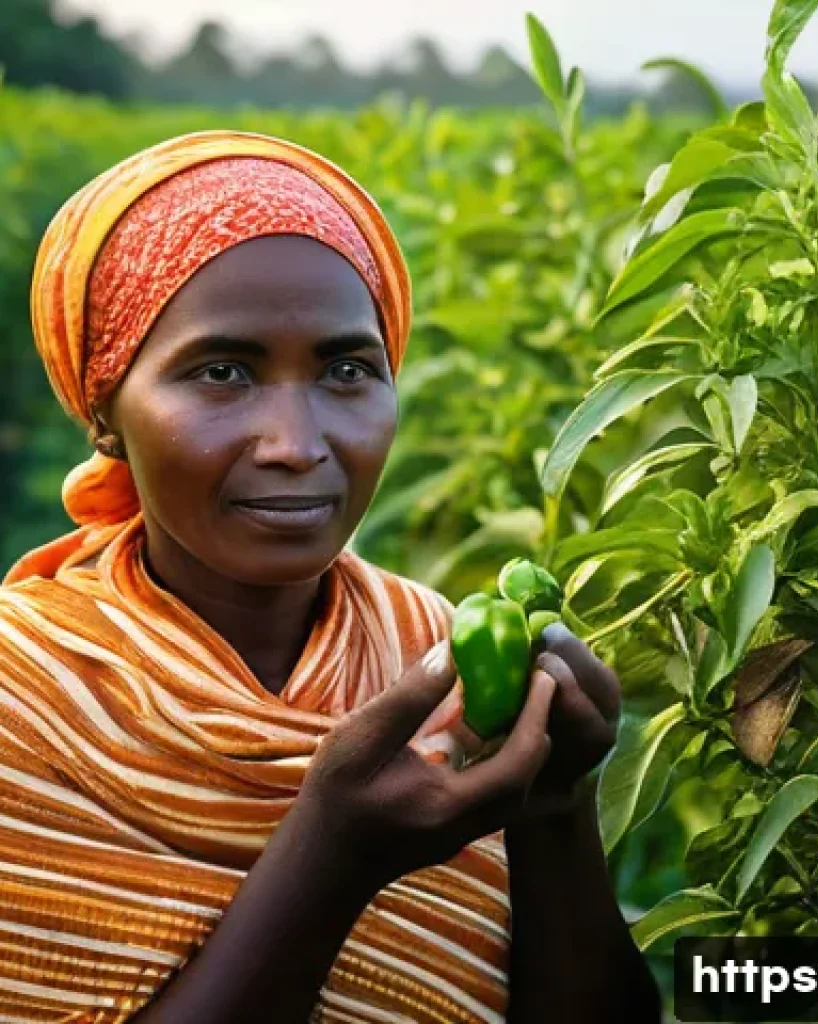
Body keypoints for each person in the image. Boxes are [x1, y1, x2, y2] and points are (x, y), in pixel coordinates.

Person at [0, 130, 662, 1023]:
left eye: (348, 370)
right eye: (222, 372)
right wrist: (334, 851)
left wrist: (555, 804)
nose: (297, 444)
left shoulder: (437, 659)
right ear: (105, 411)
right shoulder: (24, 700)